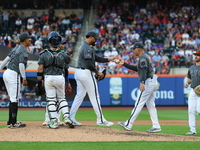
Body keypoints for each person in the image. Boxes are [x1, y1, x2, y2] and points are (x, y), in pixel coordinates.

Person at [69, 31, 115, 127]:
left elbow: (95, 58)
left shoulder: (85, 46)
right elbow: (89, 63)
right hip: (86, 73)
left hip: (79, 72)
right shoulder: (87, 48)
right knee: (95, 96)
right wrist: (97, 72)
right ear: (90, 37)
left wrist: (108, 59)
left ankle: (71, 118)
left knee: (79, 96)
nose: (96, 40)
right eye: (95, 38)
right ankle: (100, 119)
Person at [117, 42, 161, 133]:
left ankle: (128, 124)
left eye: (134, 49)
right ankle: (156, 125)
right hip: (153, 80)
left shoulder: (143, 58)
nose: (133, 51)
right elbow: (138, 69)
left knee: (138, 103)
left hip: (148, 81)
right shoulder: (145, 57)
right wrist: (124, 64)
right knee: (151, 105)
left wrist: (142, 82)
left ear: (138, 49)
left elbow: (143, 70)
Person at [37, 31, 74, 129]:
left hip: (49, 78)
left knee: (51, 100)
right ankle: (67, 117)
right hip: (60, 78)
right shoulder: (63, 54)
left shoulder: (43, 54)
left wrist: (39, 81)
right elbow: (68, 61)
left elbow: (40, 69)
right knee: (62, 99)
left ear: (49, 41)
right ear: (59, 42)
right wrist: (63, 50)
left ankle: (53, 121)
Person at [0, 32, 32, 128]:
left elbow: (5, 60)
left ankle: (11, 121)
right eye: (29, 39)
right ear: (25, 40)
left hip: (6, 73)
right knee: (14, 98)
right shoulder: (24, 50)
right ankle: (13, 123)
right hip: (14, 74)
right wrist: (24, 78)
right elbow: (21, 65)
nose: (30, 40)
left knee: (12, 98)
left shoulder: (15, 48)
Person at [184, 50, 200, 135]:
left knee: (199, 110)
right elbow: (190, 78)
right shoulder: (191, 68)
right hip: (193, 90)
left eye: (197, 55)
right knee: (191, 110)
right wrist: (187, 83)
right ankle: (192, 130)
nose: (196, 57)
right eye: (195, 55)